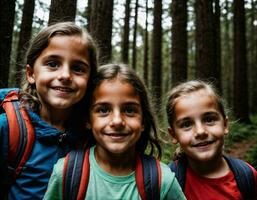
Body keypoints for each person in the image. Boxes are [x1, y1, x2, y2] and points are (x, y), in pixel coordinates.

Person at [44, 64, 186, 200]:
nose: (117, 121)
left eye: (129, 110)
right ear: (88, 119)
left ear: (143, 121)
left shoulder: (162, 180)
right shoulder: (67, 172)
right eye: (103, 110)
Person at [0, 22, 98, 199]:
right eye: (53, 64)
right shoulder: (9, 129)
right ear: (31, 74)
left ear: (90, 79)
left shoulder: (93, 134)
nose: (65, 75)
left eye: (78, 68)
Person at [166, 80, 257, 200]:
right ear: (174, 135)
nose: (200, 131)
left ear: (225, 125)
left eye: (209, 119)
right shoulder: (167, 182)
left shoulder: (248, 176)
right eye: (186, 124)